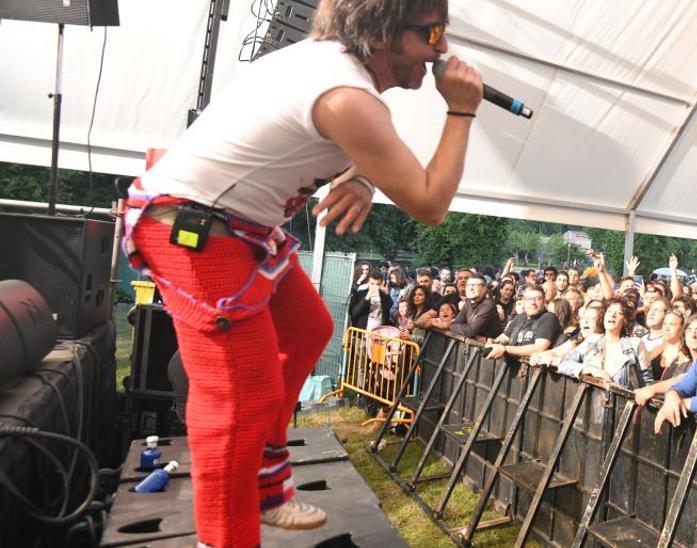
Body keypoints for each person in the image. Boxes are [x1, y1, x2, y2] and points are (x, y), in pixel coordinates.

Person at [117, 0, 483, 544]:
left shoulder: (333, 67)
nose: (442, 49)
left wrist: (361, 178)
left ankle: (265, 478)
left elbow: (367, 150)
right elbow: (430, 202)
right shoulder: (345, 94)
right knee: (238, 403)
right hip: (198, 233)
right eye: (431, 32)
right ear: (382, 33)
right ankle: (224, 537)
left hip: (237, 229)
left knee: (309, 329)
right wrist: (462, 110)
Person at [556, 298, 652, 389]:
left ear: (625, 321)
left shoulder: (635, 344)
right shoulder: (592, 340)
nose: (612, 315)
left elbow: (647, 384)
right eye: (609, 311)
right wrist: (589, 369)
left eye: (619, 313)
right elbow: (564, 363)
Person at [485, 285, 561, 362]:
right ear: (524, 301)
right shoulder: (519, 317)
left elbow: (539, 348)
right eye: (529, 299)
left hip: (533, 371)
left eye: (538, 299)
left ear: (544, 301)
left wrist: (505, 349)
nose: (533, 302)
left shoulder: (549, 318)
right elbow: (504, 338)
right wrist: (494, 342)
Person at [442, 276, 501, 340]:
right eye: (468, 285)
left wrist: (469, 332)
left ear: (484, 289)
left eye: (474, 285)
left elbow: (469, 332)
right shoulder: (468, 302)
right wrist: (473, 335)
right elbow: (455, 324)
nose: (471, 288)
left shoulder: (488, 305)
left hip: (489, 346)